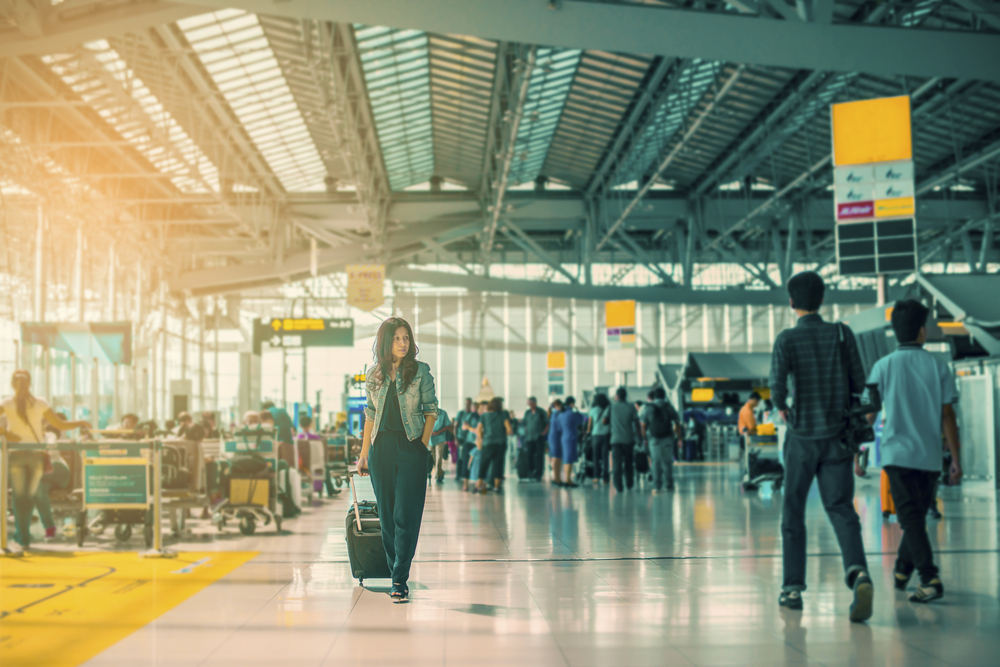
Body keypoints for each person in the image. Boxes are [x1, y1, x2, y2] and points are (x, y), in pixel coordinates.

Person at [770, 271, 873, 622]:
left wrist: (785, 407)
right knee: (842, 509)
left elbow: (776, 388)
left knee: (793, 513)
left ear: (792, 302)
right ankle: (858, 572)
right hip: (838, 438)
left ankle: (793, 589)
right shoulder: (842, 333)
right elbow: (860, 384)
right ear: (822, 300)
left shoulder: (786, 339)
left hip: (801, 440)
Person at [865, 299, 962, 603]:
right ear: (922, 331)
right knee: (914, 516)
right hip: (929, 457)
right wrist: (955, 460)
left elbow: (869, 414)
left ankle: (927, 577)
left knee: (912, 518)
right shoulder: (938, 365)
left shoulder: (882, 366)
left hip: (896, 456)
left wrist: (858, 453)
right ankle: (904, 570)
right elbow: (948, 415)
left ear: (896, 332)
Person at [358, 317, 438, 602]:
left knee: (407, 515)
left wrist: (421, 446)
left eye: (406, 338)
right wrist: (364, 453)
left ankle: (399, 579)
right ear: (385, 341)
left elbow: (431, 411)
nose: (404, 343)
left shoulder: (420, 372)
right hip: (381, 450)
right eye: (397, 338)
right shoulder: (374, 374)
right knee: (388, 517)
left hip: (411, 448)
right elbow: (369, 415)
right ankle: (395, 572)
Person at [0, 370, 90, 550]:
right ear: (30, 383)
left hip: (17, 453)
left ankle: (22, 539)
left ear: (12, 384)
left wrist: (7, 433)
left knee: (19, 498)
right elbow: (60, 425)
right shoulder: (40, 403)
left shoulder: (6, 403)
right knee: (29, 496)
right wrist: (81, 422)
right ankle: (22, 538)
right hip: (36, 455)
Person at [640, 387, 682, 494]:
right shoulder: (668, 406)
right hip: (668, 438)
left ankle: (657, 487)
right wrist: (679, 438)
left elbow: (643, 425)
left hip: (654, 439)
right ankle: (669, 484)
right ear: (664, 396)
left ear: (655, 396)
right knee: (667, 462)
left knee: (655, 462)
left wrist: (644, 438)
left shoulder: (649, 408)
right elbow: (677, 422)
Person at [476, 397, 512, 493]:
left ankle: (478, 486)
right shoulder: (503, 414)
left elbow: (479, 430)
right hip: (500, 444)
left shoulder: (484, 416)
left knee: (483, 464)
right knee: (498, 465)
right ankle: (496, 487)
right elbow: (509, 429)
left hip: (487, 444)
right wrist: (501, 435)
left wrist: (481, 438)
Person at [609, 387, 640, 493]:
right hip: (628, 440)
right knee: (628, 463)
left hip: (615, 440)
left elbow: (604, 420)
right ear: (625, 396)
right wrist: (639, 436)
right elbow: (636, 422)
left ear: (617, 396)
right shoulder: (631, 407)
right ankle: (629, 483)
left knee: (616, 463)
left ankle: (618, 486)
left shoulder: (612, 407)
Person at [553, 396, 587, 489]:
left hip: (563, 438)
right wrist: (577, 411)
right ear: (572, 404)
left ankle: (567, 479)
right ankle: (568, 480)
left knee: (566, 459)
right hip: (571, 438)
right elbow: (582, 420)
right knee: (569, 460)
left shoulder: (560, 414)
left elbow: (559, 427)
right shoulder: (572, 413)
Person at [522, 397, 549, 481]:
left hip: (539, 437)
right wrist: (525, 433)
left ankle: (539, 473)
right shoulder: (527, 413)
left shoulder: (541, 412)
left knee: (539, 456)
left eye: (530, 403)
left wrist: (544, 432)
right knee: (529, 455)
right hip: (529, 437)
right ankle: (530, 471)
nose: (529, 405)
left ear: (534, 403)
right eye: (528, 403)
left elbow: (547, 423)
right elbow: (524, 423)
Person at [587, 392, 612, 486]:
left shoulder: (593, 410)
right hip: (606, 435)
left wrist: (588, 431)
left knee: (595, 457)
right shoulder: (608, 408)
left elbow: (589, 424)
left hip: (595, 435)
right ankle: (605, 478)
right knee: (605, 457)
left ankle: (596, 476)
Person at [454, 398, 475, 483]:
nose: (467, 405)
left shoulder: (473, 415)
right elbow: (455, 426)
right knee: (460, 457)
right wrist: (455, 438)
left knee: (468, 458)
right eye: (466, 404)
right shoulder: (461, 413)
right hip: (461, 438)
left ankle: (466, 474)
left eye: (469, 404)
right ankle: (458, 475)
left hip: (469, 440)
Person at [429, 407, 452, 485]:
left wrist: (439, 431)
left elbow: (448, 425)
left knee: (439, 457)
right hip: (430, 439)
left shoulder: (443, 413)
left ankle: (438, 477)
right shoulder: (426, 413)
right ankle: (440, 472)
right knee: (432, 459)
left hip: (440, 438)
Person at [547, 399, 564, 485]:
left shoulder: (553, 413)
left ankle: (556, 478)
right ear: (559, 405)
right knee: (557, 458)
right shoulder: (557, 414)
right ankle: (556, 478)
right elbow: (560, 426)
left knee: (555, 457)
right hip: (556, 437)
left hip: (554, 437)